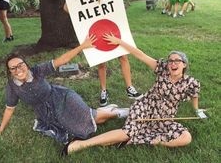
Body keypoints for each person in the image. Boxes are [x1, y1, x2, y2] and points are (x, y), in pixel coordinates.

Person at [64, 33, 204, 155]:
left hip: (165, 116)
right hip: (146, 105)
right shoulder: (162, 69)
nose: (173, 63)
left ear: (184, 64)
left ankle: (145, 141)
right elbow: (140, 54)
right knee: (127, 132)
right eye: (170, 61)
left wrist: (197, 110)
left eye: (177, 61)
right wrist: (119, 42)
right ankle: (79, 144)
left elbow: (194, 95)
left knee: (186, 137)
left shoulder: (191, 82)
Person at [0, 35, 129, 143]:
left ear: (26, 64)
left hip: (63, 98)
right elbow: (10, 108)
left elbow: (61, 60)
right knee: (76, 130)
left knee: (94, 118)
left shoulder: (37, 71)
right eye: (13, 68)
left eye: (20, 65)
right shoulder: (12, 86)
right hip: (47, 113)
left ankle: (119, 112)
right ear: (9, 71)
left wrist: (82, 46)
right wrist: (0, 129)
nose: (18, 69)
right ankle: (108, 110)